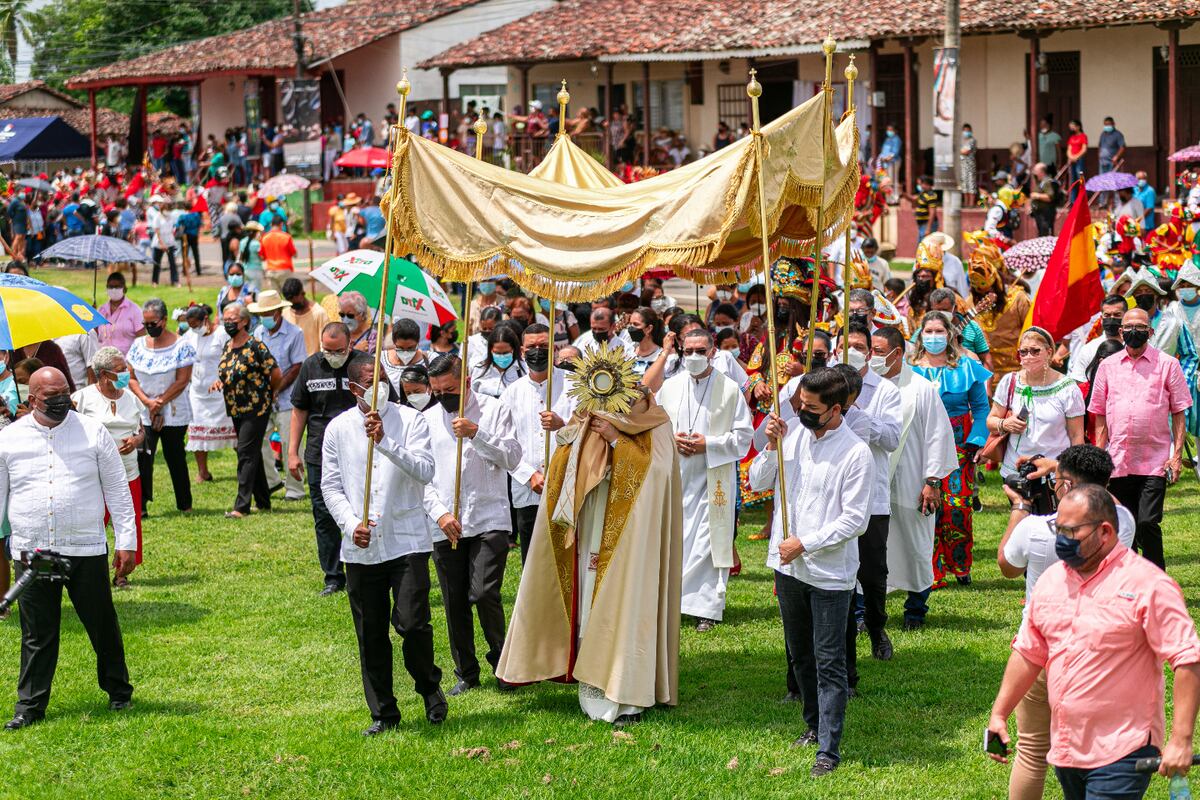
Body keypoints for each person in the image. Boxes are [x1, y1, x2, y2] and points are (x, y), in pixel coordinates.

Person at [498, 358, 682, 725]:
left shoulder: (656, 423)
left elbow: (658, 473)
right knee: (586, 601)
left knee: (626, 605)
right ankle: (585, 673)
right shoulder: (585, 418)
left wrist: (617, 442)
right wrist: (580, 437)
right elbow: (563, 466)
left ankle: (625, 692)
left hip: (631, 538)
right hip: (589, 529)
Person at [986, 484, 1200, 800]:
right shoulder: (1052, 580)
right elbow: (1029, 651)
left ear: (1105, 532)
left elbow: (1186, 658)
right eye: (1058, 529)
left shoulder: (1149, 585)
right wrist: (999, 713)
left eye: (1071, 532)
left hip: (1124, 748)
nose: (1061, 540)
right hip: (1067, 748)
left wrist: (1181, 739)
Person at [749, 368, 872, 776]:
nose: (803, 413)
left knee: (829, 661)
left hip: (829, 574)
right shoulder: (794, 435)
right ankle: (812, 724)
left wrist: (807, 541)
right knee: (800, 655)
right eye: (800, 405)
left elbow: (855, 520)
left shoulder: (855, 453)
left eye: (812, 409)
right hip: (788, 568)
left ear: (836, 409)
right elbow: (756, 480)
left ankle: (829, 749)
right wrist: (770, 446)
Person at [996, 445, 1137, 800]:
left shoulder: (1034, 528)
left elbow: (1007, 565)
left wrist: (1021, 505)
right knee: (1098, 754)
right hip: (1097, 654)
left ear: (1066, 485)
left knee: (1030, 751)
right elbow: (1108, 500)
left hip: (1038, 650)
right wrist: (1070, 473)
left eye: (1059, 482)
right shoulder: (1121, 524)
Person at [0, 367, 137, 730]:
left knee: (101, 623)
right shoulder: (9, 439)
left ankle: (119, 691)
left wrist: (127, 542)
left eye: (66, 393)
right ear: (32, 400)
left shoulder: (92, 432)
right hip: (35, 551)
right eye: (52, 397)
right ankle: (29, 707)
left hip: (84, 547)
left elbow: (118, 491)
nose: (63, 401)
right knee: (37, 633)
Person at [320, 358, 446, 734]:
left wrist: (385, 442)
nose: (378, 387)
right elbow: (331, 486)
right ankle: (383, 712)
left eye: (381, 380)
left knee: (412, 623)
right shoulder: (337, 428)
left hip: (406, 539)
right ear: (353, 388)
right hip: (361, 546)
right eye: (366, 381)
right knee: (371, 632)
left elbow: (425, 471)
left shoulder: (411, 421)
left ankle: (429, 688)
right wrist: (350, 523)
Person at [422, 354, 520, 695]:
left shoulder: (495, 409)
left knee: (483, 592)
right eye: (436, 391)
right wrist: (439, 513)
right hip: (446, 521)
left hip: (489, 516)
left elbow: (512, 457)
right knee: (455, 599)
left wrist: (477, 434)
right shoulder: (427, 419)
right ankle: (466, 671)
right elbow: (421, 477)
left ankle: (503, 662)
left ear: (465, 381)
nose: (442, 397)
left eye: (448, 389)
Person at [658, 328, 752, 631]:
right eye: (689, 351)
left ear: (713, 351)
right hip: (676, 477)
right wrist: (672, 440)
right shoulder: (670, 387)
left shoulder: (728, 389)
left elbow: (743, 437)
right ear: (681, 352)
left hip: (713, 478)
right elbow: (654, 427)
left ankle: (705, 609)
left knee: (708, 542)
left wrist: (707, 444)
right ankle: (673, 603)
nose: (695, 357)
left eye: (701, 351)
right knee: (676, 540)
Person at [1089, 306, 1191, 569]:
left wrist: (1176, 457)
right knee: (1124, 526)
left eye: (1141, 328)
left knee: (1147, 522)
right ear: (1121, 332)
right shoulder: (1107, 367)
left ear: (1151, 332)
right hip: (1118, 461)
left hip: (1154, 461)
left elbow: (1179, 411)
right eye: (1130, 328)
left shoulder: (1168, 365)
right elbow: (1099, 414)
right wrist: (1100, 459)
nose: (1135, 332)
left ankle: (1157, 579)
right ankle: (1128, 584)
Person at [870, 326, 957, 630]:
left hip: (911, 481)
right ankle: (864, 612)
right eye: (871, 351)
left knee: (915, 545)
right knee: (869, 548)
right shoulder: (865, 387)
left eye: (879, 352)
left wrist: (932, 482)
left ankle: (915, 610)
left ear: (897, 353)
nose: (872, 357)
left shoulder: (920, 389)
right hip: (872, 481)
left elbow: (937, 437)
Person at [289, 323, 385, 595]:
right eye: (326, 350)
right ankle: (333, 576)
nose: (332, 355)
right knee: (324, 515)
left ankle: (368, 563)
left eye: (338, 350)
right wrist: (292, 452)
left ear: (351, 344)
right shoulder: (311, 366)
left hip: (358, 450)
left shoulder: (364, 366)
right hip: (320, 452)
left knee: (362, 508)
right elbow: (299, 410)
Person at [910, 311, 991, 588]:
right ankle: (929, 569)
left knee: (957, 507)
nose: (934, 337)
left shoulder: (967, 367)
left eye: (939, 331)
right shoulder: (910, 370)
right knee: (923, 506)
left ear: (950, 335)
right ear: (921, 335)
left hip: (960, 446)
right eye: (928, 331)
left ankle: (959, 563)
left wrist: (978, 440)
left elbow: (981, 408)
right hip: (920, 447)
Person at [839, 325, 903, 668]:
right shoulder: (826, 385)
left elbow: (891, 438)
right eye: (846, 345)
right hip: (833, 495)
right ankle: (841, 632)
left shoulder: (886, 391)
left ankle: (877, 627)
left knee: (873, 570)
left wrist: (856, 412)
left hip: (871, 495)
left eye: (860, 346)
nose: (853, 350)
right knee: (838, 569)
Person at [71, 347, 147, 586]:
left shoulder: (131, 398)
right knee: (95, 522)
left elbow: (142, 430)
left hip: (128, 470)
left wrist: (135, 441)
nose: (126, 373)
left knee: (128, 521)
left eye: (126, 368)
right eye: (120, 370)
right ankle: (93, 570)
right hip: (94, 473)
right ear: (104, 374)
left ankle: (122, 572)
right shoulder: (82, 398)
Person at [985, 327, 1085, 478]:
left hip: (1054, 472)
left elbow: (1076, 435)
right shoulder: (1010, 381)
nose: (1029, 356)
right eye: (1023, 352)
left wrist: (1073, 472)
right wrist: (1004, 424)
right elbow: (991, 421)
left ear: (1049, 352)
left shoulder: (1067, 388)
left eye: (1035, 351)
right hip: (1014, 470)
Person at [127, 298, 195, 515]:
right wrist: (148, 402)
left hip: (174, 409)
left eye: (153, 323)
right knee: (143, 456)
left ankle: (185, 503)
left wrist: (160, 402)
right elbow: (131, 376)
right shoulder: (138, 345)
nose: (149, 328)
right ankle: (142, 505)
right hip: (145, 409)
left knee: (175, 456)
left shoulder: (181, 345)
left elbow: (182, 380)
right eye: (145, 324)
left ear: (164, 320)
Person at [498, 324, 559, 563]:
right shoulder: (511, 393)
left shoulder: (574, 387)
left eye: (543, 346)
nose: (537, 351)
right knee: (533, 561)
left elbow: (589, 432)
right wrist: (528, 473)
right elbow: (504, 443)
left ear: (553, 349)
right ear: (522, 351)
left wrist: (563, 425)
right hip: (528, 489)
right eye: (531, 347)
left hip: (566, 487)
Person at [216, 302, 281, 519]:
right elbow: (227, 373)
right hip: (235, 408)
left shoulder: (256, 346)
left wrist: (272, 393)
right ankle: (263, 501)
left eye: (232, 320)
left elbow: (275, 372)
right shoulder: (228, 345)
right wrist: (219, 383)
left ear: (244, 321)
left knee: (245, 452)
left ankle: (241, 505)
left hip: (256, 407)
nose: (228, 324)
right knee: (251, 452)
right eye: (225, 320)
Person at [248, 290, 307, 501]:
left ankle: (295, 489)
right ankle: (272, 481)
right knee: (260, 440)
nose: (264, 317)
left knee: (291, 443)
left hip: (288, 398)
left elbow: (297, 366)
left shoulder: (295, 333)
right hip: (263, 399)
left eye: (268, 312)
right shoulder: (258, 333)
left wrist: (277, 389)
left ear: (278, 312)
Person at [181, 305, 236, 482]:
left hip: (221, 392)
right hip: (197, 392)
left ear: (206, 319)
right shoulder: (190, 336)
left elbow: (233, 357)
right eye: (190, 326)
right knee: (197, 429)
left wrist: (224, 379)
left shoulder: (221, 334)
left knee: (234, 431)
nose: (194, 329)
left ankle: (244, 466)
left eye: (196, 325)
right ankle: (203, 471)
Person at [472, 323, 525, 399]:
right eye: (497, 353)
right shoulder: (480, 369)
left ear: (513, 349)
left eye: (506, 353)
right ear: (491, 350)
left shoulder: (524, 369)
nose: (502, 356)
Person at [280, 278, 329, 357]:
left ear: (303, 293)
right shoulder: (285, 313)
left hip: (312, 364)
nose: (293, 306)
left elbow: (324, 345)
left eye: (296, 303)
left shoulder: (319, 313)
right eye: (291, 304)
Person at [97, 272, 144, 355]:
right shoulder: (101, 310)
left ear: (124, 289)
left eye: (117, 287)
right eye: (111, 287)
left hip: (126, 360)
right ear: (106, 289)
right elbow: (93, 335)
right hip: (103, 359)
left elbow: (142, 339)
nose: (114, 290)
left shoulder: (135, 310)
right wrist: (92, 314)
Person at [381, 319, 427, 396]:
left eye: (410, 348)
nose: (405, 352)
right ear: (393, 341)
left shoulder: (429, 359)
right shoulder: (380, 360)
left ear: (418, 341)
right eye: (400, 348)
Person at [147, 195, 179, 287]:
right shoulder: (157, 217)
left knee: (172, 263)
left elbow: (172, 228)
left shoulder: (170, 217)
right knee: (157, 263)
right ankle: (155, 281)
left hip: (169, 241)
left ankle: (175, 281)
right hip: (159, 243)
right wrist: (162, 244)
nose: (168, 211)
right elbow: (157, 232)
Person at [260, 218, 296, 292]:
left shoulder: (264, 237)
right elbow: (294, 253)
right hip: (284, 269)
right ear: (281, 224)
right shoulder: (286, 237)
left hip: (270, 270)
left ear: (271, 225)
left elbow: (262, 256)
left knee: (274, 298)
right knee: (289, 294)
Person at [1028, 162, 1059, 237]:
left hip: (1046, 214)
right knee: (1041, 234)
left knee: (1045, 235)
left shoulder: (1046, 182)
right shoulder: (1040, 182)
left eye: (1036, 171)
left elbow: (1049, 197)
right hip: (1040, 214)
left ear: (1041, 172)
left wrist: (1037, 196)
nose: (1034, 173)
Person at [1066, 120, 1087, 204]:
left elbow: (1084, 149)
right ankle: (1073, 201)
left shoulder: (1083, 136)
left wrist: (1076, 157)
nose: (1071, 128)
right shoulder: (1071, 138)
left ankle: (1082, 199)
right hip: (1072, 161)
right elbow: (1069, 150)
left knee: (1080, 179)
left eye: (1073, 126)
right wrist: (1071, 157)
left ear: (1078, 127)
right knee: (1072, 180)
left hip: (1079, 160)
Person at [911, 175, 939, 240]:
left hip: (927, 225)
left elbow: (932, 212)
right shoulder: (923, 194)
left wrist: (928, 228)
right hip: (922, 225)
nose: (920, 186)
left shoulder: (931, 195)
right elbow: (913, 200)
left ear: (926, 184)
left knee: (925, 246)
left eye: (920, 184)